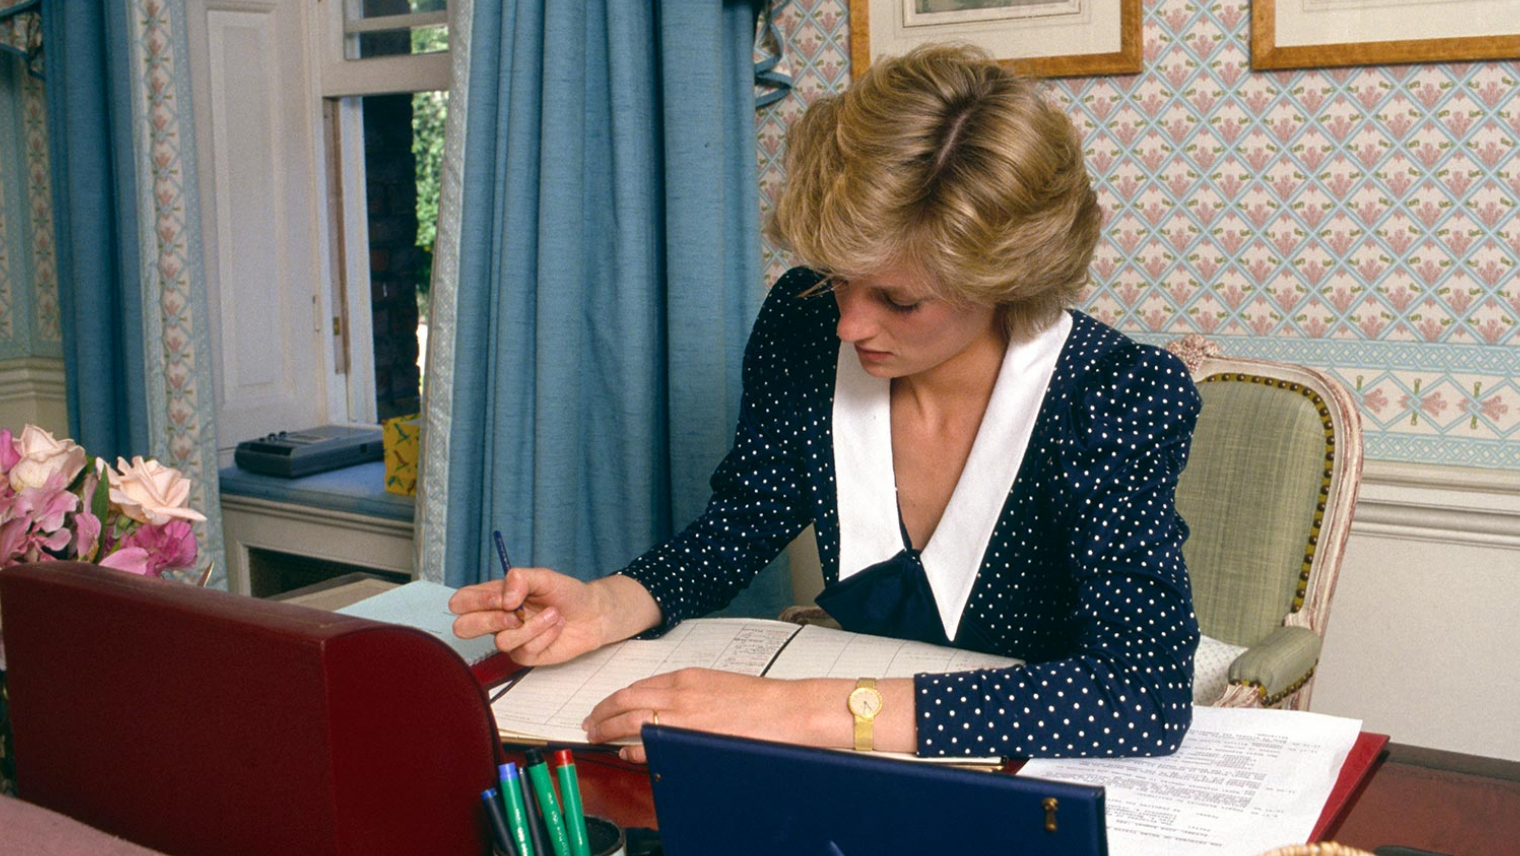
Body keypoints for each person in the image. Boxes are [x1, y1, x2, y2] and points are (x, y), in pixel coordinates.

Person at [451, 43, 1201, 762]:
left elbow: (1141, 692)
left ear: (1005, 279)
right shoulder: (806, 322)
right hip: (846, 769)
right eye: (841, 275)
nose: (850, 323)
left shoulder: (1114, 394)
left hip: (1036, 777)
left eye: (899, 300)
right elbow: (744, 521)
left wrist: (791, 709)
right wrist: (609, 602)